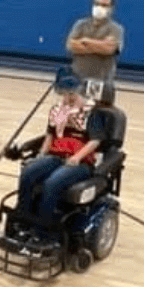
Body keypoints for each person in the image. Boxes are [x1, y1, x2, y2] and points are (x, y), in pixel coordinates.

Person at [14, 73, 110, 234]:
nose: (67, 98)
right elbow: (50, 135)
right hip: (56, 155)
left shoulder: (91, 112)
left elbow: (95, 141)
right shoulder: (57, 110)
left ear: (78, 92)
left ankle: (43, 231)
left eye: (71, 94)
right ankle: (24, 220)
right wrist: (41, 155)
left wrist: (77, 157)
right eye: (64, 94)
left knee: (52, 183)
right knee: (28, 173)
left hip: (80, 161)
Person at [65, 0, 125, 85]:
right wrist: (100, 45)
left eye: (104, 5)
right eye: (97, 4)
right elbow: (71, 45)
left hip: (102, 80)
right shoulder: (80, 24)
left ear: (111, 8)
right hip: (77, 78)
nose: (100, 7)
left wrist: (85, 41)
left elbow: (109, 49)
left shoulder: (116, 29)